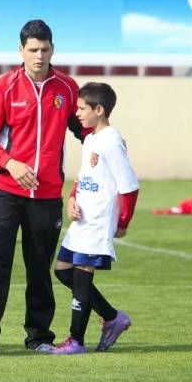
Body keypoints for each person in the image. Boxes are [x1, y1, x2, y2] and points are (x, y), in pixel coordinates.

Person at [0, 19, 87, 354]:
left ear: (53, 49)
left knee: (39, 266)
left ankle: (39, 336)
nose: (39, 55)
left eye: (44, 49)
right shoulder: (3, 87)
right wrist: (10, 162)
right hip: (4, 189)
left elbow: (86, 131)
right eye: (32, 50)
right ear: (20, 50)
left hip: (47, 194)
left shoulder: (67, 88)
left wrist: (106, 144)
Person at [50, 82, 138, 354]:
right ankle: (112, 317)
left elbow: (129, 187)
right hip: (81, 220)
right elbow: (84, 177)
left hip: (99, 220)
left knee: (81, 277)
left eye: (81, 108)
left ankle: (76, 340)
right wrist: (73, 198)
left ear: (98, 110)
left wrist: (122, 222)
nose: (76, 113)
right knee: (63, 271)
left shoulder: (112, 142)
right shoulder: (90, 138)